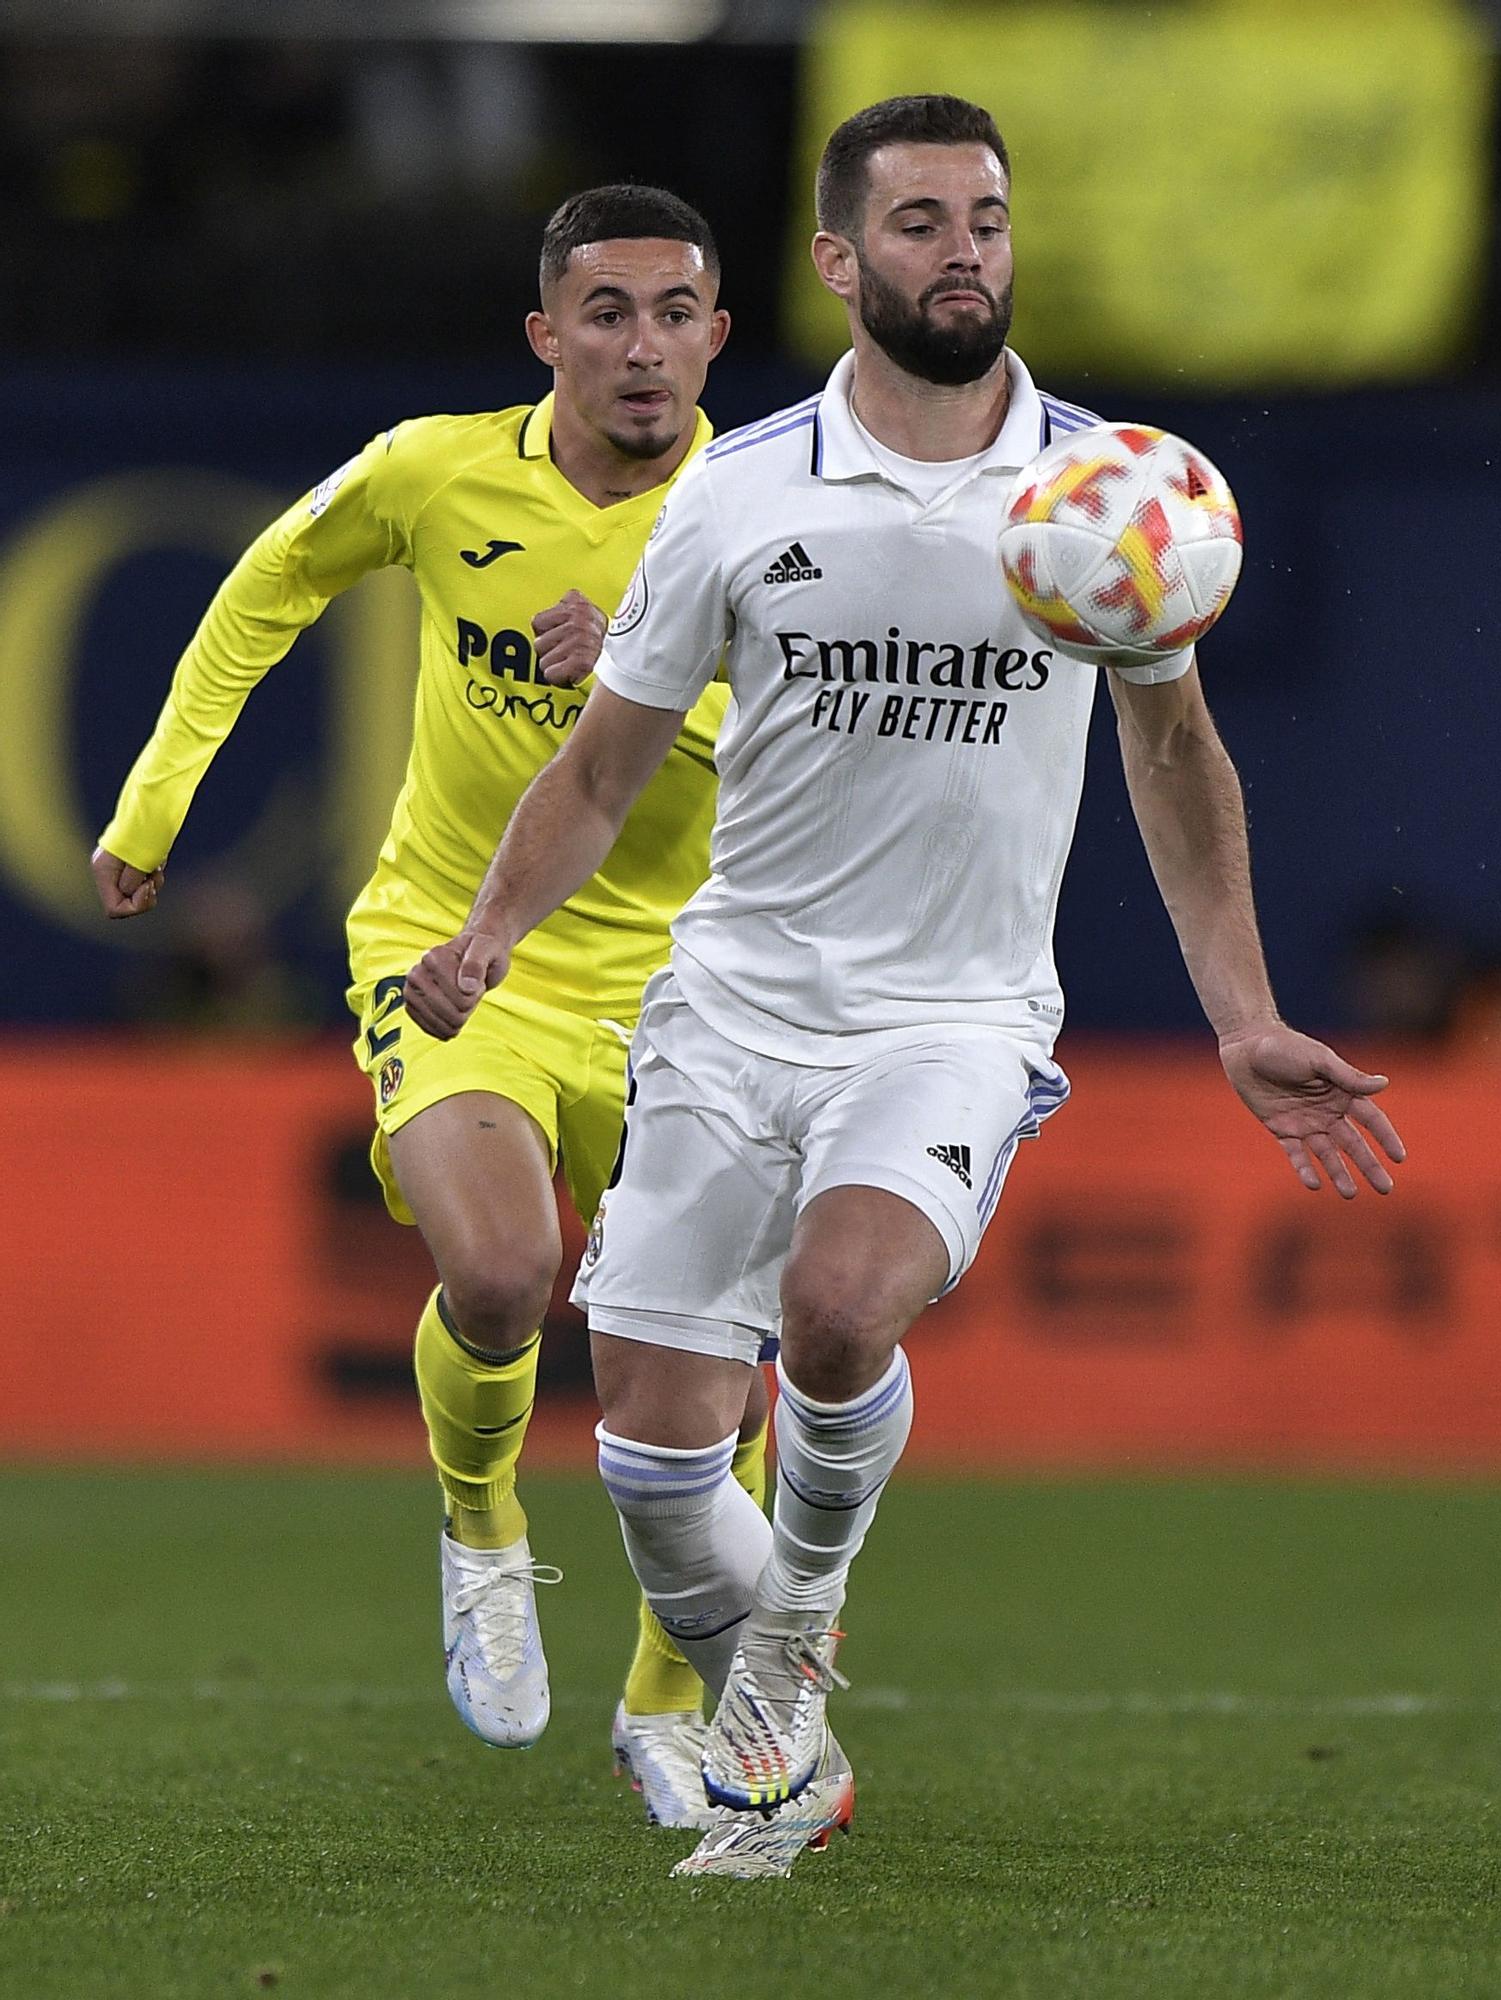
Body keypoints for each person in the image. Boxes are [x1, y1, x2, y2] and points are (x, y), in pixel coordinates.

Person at [404, 95, 1408, 1878]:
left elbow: (1176, 762)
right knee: (647, 1459)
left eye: (991, 219)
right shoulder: (735, 495)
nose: (968, 253)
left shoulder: (1107, 495)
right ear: (838, 259)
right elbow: (600, 770)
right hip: (725, 1009)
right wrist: (485, 936)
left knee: (839, 1310)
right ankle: (769, 1716)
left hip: (948, 1020)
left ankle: (787, 1658)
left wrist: (1242, 1013)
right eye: (927, 221)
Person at [89, 183, 768, 1829]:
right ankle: (478, 1531)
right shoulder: (433, 468)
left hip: (701, 982)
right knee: (501, 1266)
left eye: (674, 312)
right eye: (604, 313)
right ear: (545, 336)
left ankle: (669, 1713)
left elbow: (828, 764)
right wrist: (155, 802)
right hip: (462, 945)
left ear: (718, 337)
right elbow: (264, 586)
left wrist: (648, 680)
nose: (642, 348)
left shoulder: (767, 517)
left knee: (720, 1379)